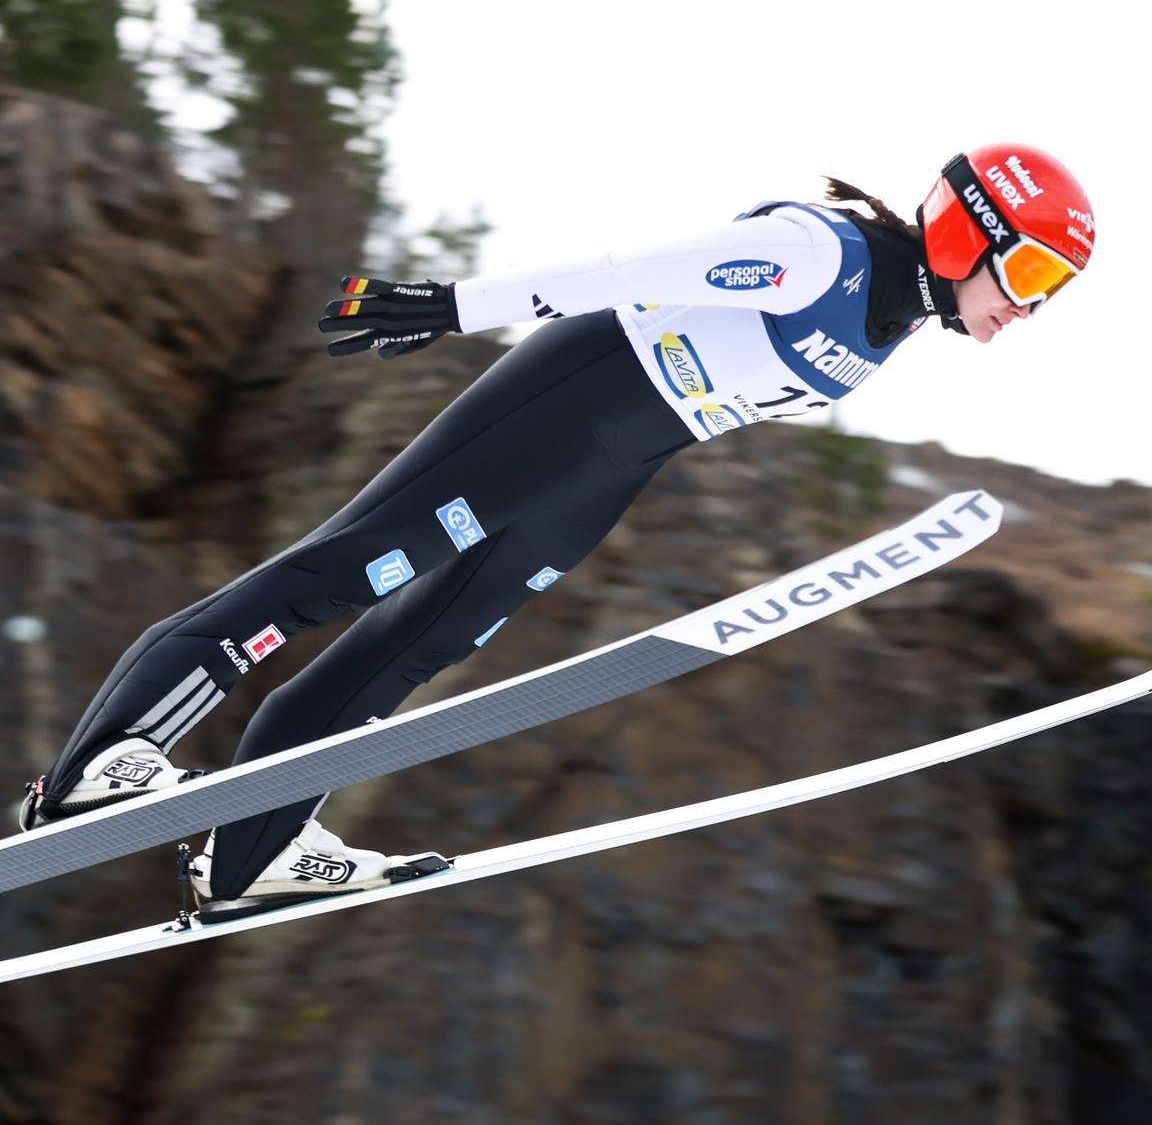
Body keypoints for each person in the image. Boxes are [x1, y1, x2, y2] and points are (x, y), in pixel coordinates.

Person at [18, 142, 1095, 923]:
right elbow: (631, 275)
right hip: (570, 400)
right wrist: (452, 305)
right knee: (341, 574)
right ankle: (102, 763)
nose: (1029, 309)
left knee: (422, 643)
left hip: (615, 459)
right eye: (1035, 275)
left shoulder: (897, 316)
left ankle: (253, 852)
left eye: (1054, 292)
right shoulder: (821, 255)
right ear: (970, 232)